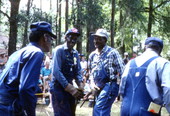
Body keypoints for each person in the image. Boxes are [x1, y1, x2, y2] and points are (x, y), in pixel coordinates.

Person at [0, 21, 56, 116]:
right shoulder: (36, 52)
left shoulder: (18, 53)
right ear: (45, 37)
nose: (51, 43)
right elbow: (26, 88)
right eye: (51, 39)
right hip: (11, 108)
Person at [119, 37, 170, 116]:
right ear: (160, 49)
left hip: (125, 109)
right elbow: (168, 88)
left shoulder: (129, 63)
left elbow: (122, 88)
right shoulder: (162, 63)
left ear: (145, 47)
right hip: (149, 110)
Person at [87, 29, 124, 116]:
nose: (96, 41)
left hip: (110, 85)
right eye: (95, 38)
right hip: (97, 87)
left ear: (105, 40)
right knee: (98, 110)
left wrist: (123, 90)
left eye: (99, 39)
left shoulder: (112, 53)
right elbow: (90, 73)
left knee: (100, 109)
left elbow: (123, 72)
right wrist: (92, 84)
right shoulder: (92, 55)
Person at [50, 28, 84, 116]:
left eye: (75, 38)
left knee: (71, 113)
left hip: (69, 86)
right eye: (71, 37)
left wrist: (80, 84)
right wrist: (70, 88)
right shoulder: (59, 50)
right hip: (58, 87)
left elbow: (77, 71)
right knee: (62, 113)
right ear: (65, 37)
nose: (73, 40)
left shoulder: (75, 53)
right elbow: (56, 71)